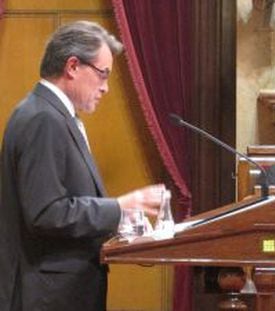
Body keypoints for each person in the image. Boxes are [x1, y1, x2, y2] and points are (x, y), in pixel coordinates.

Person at [0, 21, 165, 311]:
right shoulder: (44, 119)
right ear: (73, 66)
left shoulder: (52, 114)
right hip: (48, 296)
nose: (106, 88)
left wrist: (121, 223)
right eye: (103, 74)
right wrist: (120, 207)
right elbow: (45, 213)